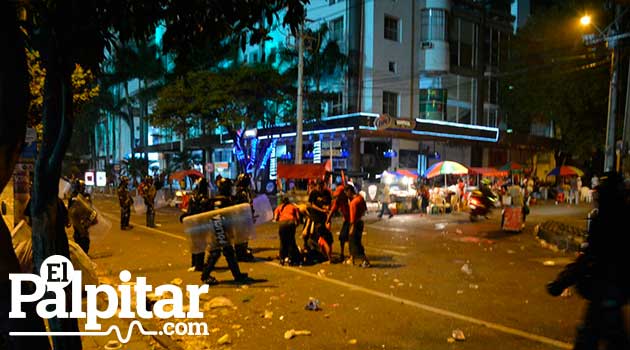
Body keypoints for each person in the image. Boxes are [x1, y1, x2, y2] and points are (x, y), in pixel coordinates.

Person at [546, 172, 629, 349]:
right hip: (617, 294)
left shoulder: (605, 221)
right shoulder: (621, 218)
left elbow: (591, 258)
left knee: (589, 339)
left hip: (604, 294)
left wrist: (562, 281)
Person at [200, 177, 250, 285]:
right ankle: (205, 276)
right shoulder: (227, 201)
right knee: (217, 253)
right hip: (223, 230)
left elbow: (207, 215)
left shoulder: (213, 200)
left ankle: (237, 275)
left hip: (215, 229)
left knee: (227, 253)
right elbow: (232, 216)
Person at [180, 178, 213, 272]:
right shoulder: (205, 199)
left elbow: (190, 211)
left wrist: (186, 217)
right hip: (201, 225)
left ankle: (194, 263)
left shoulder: (194, 198)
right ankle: (199, 265)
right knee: (200, 245)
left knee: (195, 244)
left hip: (193, 224)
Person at [306, 178, 333, 263]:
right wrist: (322, 210)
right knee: (314, 234)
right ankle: (318, 251)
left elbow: (329, 203)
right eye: (319, 186)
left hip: (324, 217)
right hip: (315, 217)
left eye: (322, 186)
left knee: (324, 237)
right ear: (316, 186)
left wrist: (327, 208)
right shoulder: (313, 193)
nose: (320, 188)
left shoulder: (327, 193)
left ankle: (325, 254)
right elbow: (312, 205)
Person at [346, 185, 370, 267]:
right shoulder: (360, 198)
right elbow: (365, 210)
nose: (346, 195)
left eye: (346, 192)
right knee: (356, 242)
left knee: (355, 243)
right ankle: (352, 259)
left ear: (349, 191)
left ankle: (365, 260)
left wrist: (352, 228)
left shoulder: (353, 203)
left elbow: (352, 218)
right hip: (360, 222)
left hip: (355, 224)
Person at [233, 173, 255, 262]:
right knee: (241, 236)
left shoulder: (245, 191)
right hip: (241, 218)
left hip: (245, 217)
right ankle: (240, 254)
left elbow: (249, 203)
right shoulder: (240, 192)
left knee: (244, 236)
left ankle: (242, 252)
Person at [67, 179, 93, 254]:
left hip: (85, 220)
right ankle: (80, 253)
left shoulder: (86, 196)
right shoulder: (73, 196)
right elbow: (70, 209)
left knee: (86, 238)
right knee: (78, 236)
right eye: (81, 187)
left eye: (83, 187)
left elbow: (90, 207)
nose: (83, 188)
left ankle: (85, 252)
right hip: (77, 221)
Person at [274, 195, 301, 265]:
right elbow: (298, 218)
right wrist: (296, 225)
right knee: (291, 241)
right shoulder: (293, 207)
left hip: (282, 224)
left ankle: (282, 260)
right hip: (291, 223)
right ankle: (290, 260)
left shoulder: (279, 207)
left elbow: (276, 218)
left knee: (282, 242)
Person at [327, 183, 350, 262]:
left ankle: (352, 255)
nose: (337, 197)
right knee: (342, 238)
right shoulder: (338, 201)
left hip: (352, 220)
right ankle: (342, 254)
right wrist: (328, 220)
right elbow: (332, 211)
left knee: (351, 238)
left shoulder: (349, 199)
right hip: (347, 220)